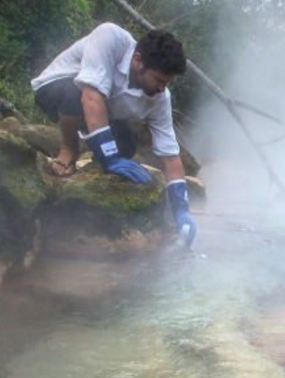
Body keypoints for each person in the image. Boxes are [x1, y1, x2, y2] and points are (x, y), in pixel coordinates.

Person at [31, 23, 196, 246]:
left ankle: (95, 160)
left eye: (167, 83)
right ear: (138, 61)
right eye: (158, 80)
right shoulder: (111, 38)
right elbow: (90, 97)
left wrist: (182, 210)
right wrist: (109, 156)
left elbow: (170, 156)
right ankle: (69, 148)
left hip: (101, 106)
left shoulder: (161, 97)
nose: (161, 88)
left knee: (126, 148)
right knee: (75, 95)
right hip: (56, 86)